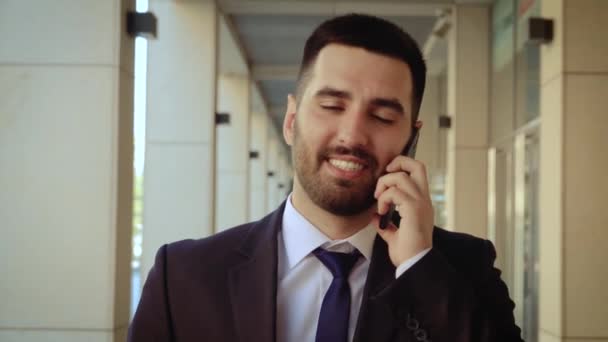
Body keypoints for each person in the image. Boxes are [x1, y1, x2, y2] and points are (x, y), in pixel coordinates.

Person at [129, 14, 524, 342]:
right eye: (332, 105)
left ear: (412, 137)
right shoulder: (184, 276)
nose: (352, 136)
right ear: (291, 120)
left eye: (383, 116)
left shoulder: (463, 268)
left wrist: (419, 267)